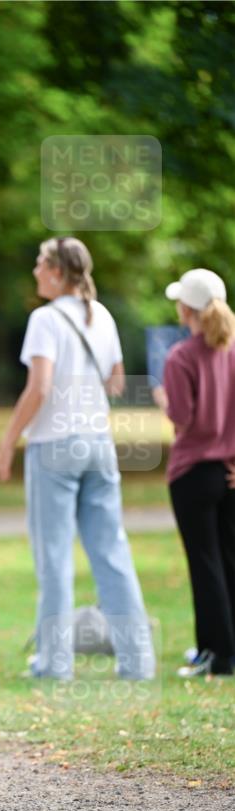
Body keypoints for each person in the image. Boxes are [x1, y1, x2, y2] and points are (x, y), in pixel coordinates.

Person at [0, 236, 155, 681]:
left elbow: (40, 388)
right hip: (98, 444)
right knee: (112, 552)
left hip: (55, 446)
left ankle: (54, 664)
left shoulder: (45, 319)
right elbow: (116, 380)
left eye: (39, 263)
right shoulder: (100, 314)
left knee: (54, 556)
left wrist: (9, 439)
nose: (34, 271)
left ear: (58, 272)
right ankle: (138, 663)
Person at [162, 269, 235, 678]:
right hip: (229, 472)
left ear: (186, 308)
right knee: (229, 560)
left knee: (203, 563)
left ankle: (215, 654)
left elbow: (184, 418)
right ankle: (227, 649)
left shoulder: (181, 357)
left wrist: (163, 398)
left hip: (193, 473)